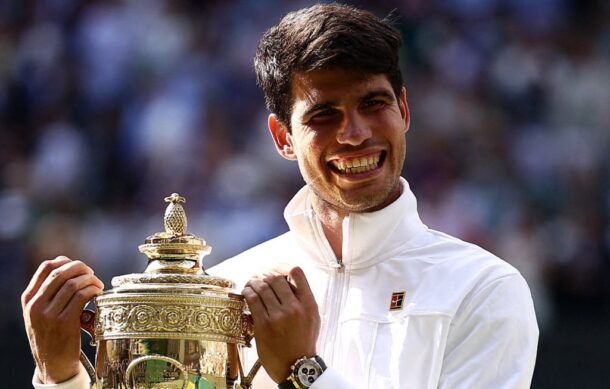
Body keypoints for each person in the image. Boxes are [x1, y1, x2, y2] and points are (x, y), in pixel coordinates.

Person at [22, 3, 538, 389]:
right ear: (282, 137)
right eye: (323, 115)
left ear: (403, 109)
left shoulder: (484, 289)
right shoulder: (225, 289)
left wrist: (303, 373)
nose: (355, 133)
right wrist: (60, 374)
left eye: (373, 103)